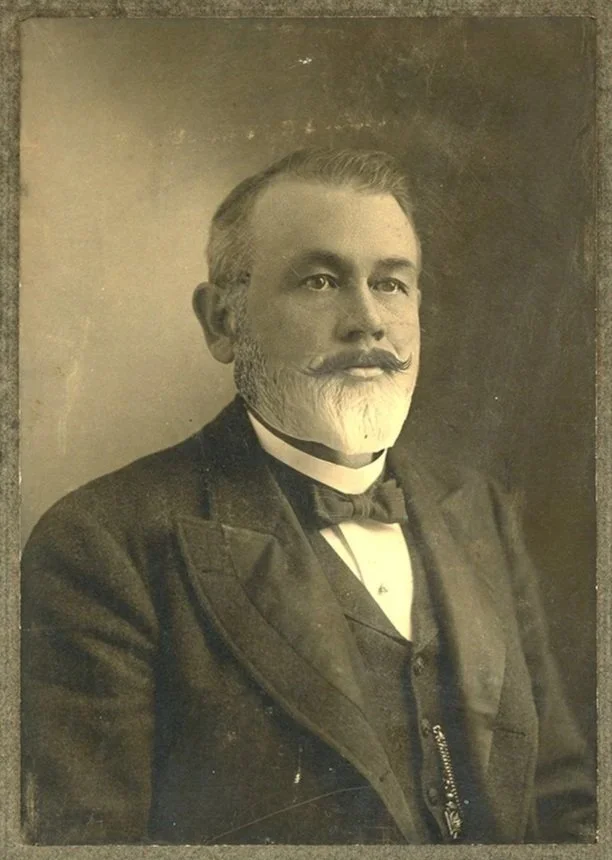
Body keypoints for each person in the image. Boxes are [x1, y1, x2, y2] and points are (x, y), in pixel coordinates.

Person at [21, 148, 595, 845]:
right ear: (222, 323)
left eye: (391, 284)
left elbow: (566, 809)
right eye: (321, 281)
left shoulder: (478, 513)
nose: (367, 322)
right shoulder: (104, 545)